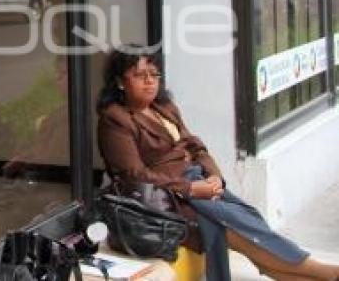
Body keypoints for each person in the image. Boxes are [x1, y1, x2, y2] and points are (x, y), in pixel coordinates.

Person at [97, 45, 339, 281]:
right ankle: (327, 272)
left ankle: (321, 274)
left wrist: (214, 176)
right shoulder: (115, 120)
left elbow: (195, 145)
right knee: (236, 226)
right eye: (139, 75)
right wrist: (190, 189)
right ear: (120, 82)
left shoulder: (164, 107)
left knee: (248, 220)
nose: (149, 81)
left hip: (198, 183)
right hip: (167, 200)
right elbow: (134, 175)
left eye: (154, 74)